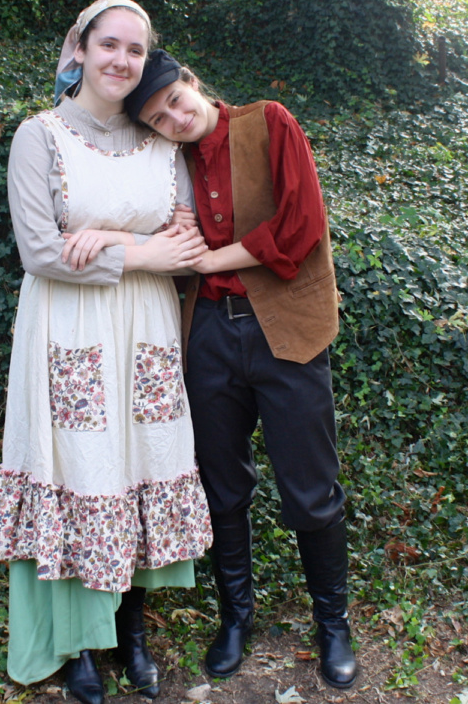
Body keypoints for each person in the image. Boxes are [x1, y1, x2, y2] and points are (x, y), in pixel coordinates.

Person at [0, 4, 213, 704]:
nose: (120, 59)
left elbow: (189, 241)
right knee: (82, 465)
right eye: (107, 44)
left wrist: (107, 238)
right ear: (78, 48)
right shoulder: (40, 136)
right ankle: (81, 643)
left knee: (139, 462)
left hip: (144, 327)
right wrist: (137, 247)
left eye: (135, 49)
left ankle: (131, 628)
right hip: (69, 328)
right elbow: (42, 252)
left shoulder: (161, 141)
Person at [123, 50, 357, 690]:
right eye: (158, 118)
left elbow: (301, 225)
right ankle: (236, 617)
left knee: (310, 488)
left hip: (288, 332)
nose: (175, 117)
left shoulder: (269, 123)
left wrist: (210, 258)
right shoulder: (165, 167)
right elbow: (157, 242)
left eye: (174, 99)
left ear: (192, 83)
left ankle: (333, 623)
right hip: (206, 338)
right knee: (222, 485)